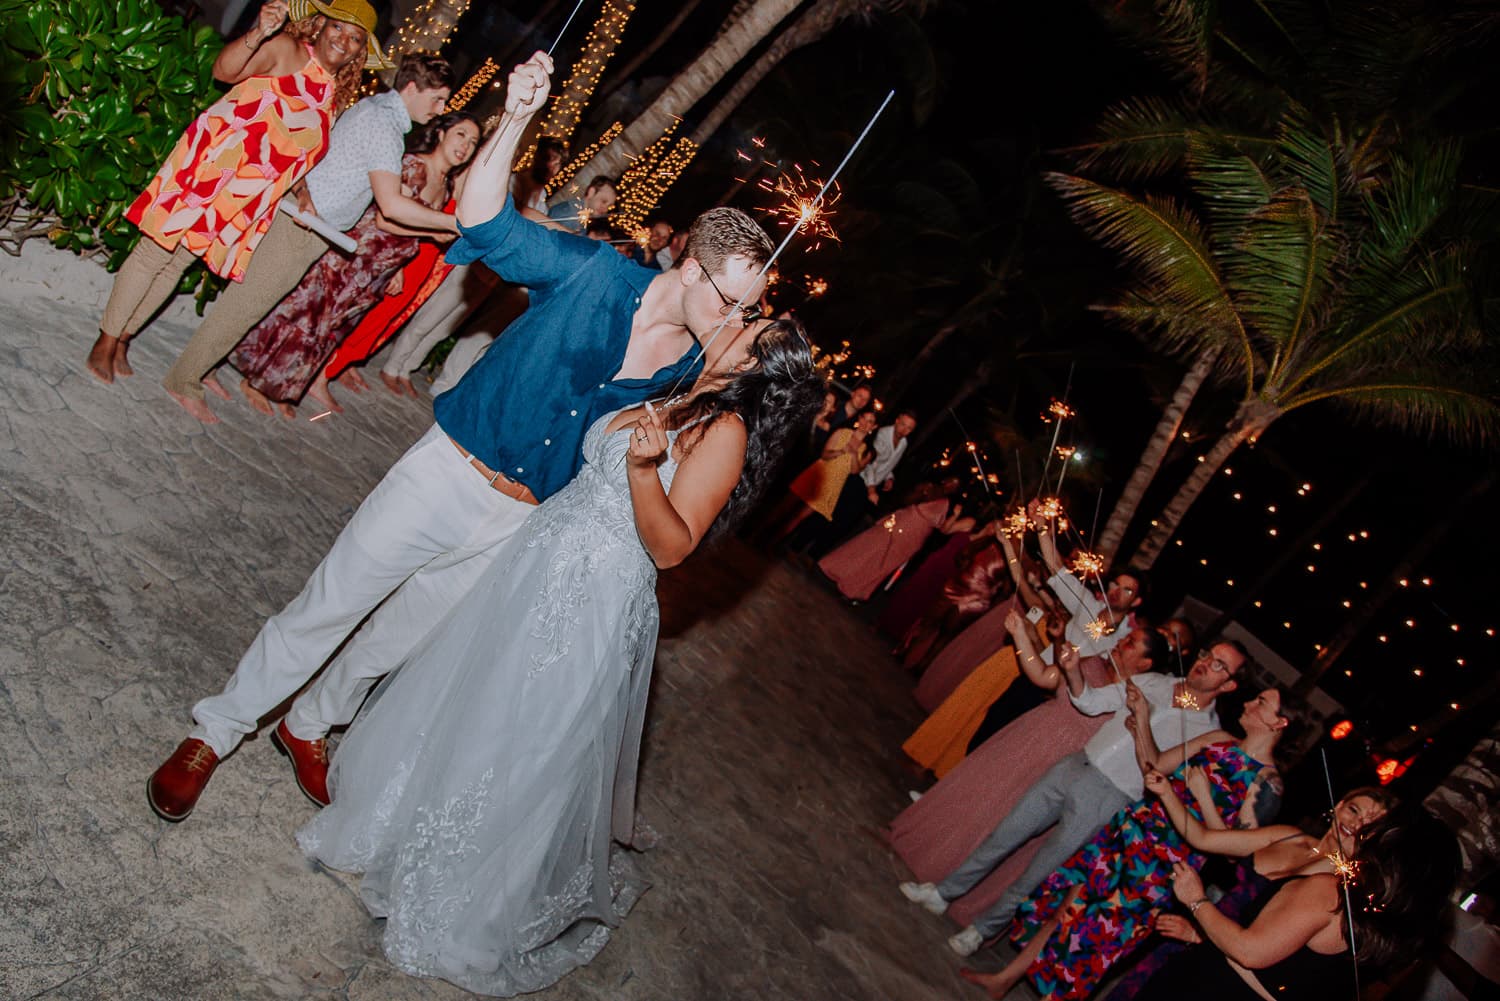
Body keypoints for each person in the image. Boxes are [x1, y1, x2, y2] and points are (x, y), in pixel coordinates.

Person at [144, 52, 777, 822]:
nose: (736, 319)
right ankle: (215, 730)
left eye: (747, 309)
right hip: (448, 469)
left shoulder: (688, 366)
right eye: (732, 300)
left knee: (397, 639)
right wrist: (516, 118)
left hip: (518, 519)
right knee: (332, 604)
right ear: (692, 271)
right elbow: (484, 223)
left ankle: (308, 724)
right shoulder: (592, 272)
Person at [297, 319, 821, 995]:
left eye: (751, 329)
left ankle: (459, 901)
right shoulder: (682, 387)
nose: (737, 321)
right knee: (475, 702)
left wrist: (641, 470)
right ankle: (402, 834)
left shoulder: (725, 432)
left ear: (754, 365)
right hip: (541, 561)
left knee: (521, 741)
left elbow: (671, 547)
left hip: (593, 596)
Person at [86, 0, 377, 384]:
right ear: (320, 24)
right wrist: (258, 33)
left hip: (244, 194)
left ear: (359, 52)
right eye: (338, 27)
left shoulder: (332, 97)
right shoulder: (288, 50)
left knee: (178, 262)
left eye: (355, 38)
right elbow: (223, 71)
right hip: (213, 167)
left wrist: (303, 189)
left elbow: (295, 151)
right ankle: (105, 340)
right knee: (154, 251)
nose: (343, 40)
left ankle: (124, 336)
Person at [159, 53, 460, 422]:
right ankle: (183, 380)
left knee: (253, 305)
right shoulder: (385, 126)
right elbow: (392, 205)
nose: (440, 109)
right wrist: (453, 223)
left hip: (312, 222)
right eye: (437, 99)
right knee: (245, 306)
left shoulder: (380, 111)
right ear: (412, 88)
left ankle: (204, 369)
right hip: (304, 223)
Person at [899, 640, 1244, 956]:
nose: (1205, 663)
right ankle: (943, 892)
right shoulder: (1156, 682)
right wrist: (1074, 671)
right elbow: (1093, 702)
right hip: (1077, 763)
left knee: (1040, 869)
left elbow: (1157, 770)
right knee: (1004, 834)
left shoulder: (1207, 732)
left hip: (1112, 795)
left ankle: (980, 931)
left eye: (1219, 665)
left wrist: (1142, 720)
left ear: (1229, 685)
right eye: (1207, 654)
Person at [962, 689, 1294, 1000]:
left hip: (1158, 868)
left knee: (1092, 941)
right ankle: (1004, 979)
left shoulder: (1267, 783)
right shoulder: (1218, 739)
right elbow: (1157, 764)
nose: (1249, 704)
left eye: (1262, 703)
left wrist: (1204, 798)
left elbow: (1233, 854)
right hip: (1129, 833)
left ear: (1280, 723)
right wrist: (1142, 719)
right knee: (1066, 909)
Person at [229, 112, 479, 416]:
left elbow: (409, 232)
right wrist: (433, 231)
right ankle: (254, 381)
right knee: (305, 317)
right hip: (356, 254)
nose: (465, 146)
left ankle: (281, 386)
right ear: (441, 134)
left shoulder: (445, 184)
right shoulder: (414, 166)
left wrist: (399, 266)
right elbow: (385, 219)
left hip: (380, 267)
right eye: (460, 135)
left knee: (330, 330)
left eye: (473, 142)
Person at [1134, 807, 1461, 1001]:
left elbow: (1249, 951)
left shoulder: (1331, 895)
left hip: (1213, 991)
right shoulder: (1395, 940)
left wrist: (1196, 900)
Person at [1105, 785, 1397, 1001]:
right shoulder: (1289, 836)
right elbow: (1203, 838)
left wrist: (1198, 930)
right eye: (1353, 810)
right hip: (1191, 941)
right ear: (1340, 804)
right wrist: (1166, 791)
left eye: (1368, 825)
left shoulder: (1332, 887)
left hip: (1221, 967)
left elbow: (1273, 953)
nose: (1355, 823)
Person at [817, 494, 970, 602]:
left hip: (912, 536)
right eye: (950, 481)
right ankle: (837, 572)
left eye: (954, 483)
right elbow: (909, 501)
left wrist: (955, 515)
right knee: (868, 547)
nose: (951, 484)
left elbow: (944, 529)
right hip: (901, 524)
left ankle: (852, 590)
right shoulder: (934, 493)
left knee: (882, 563)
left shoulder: (947, 505)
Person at [546, 175, 617, 234]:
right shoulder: (570, 217)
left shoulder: (579, 216)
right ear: (591, 192)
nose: (605, 209)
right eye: (604, 201)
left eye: (609, 206)